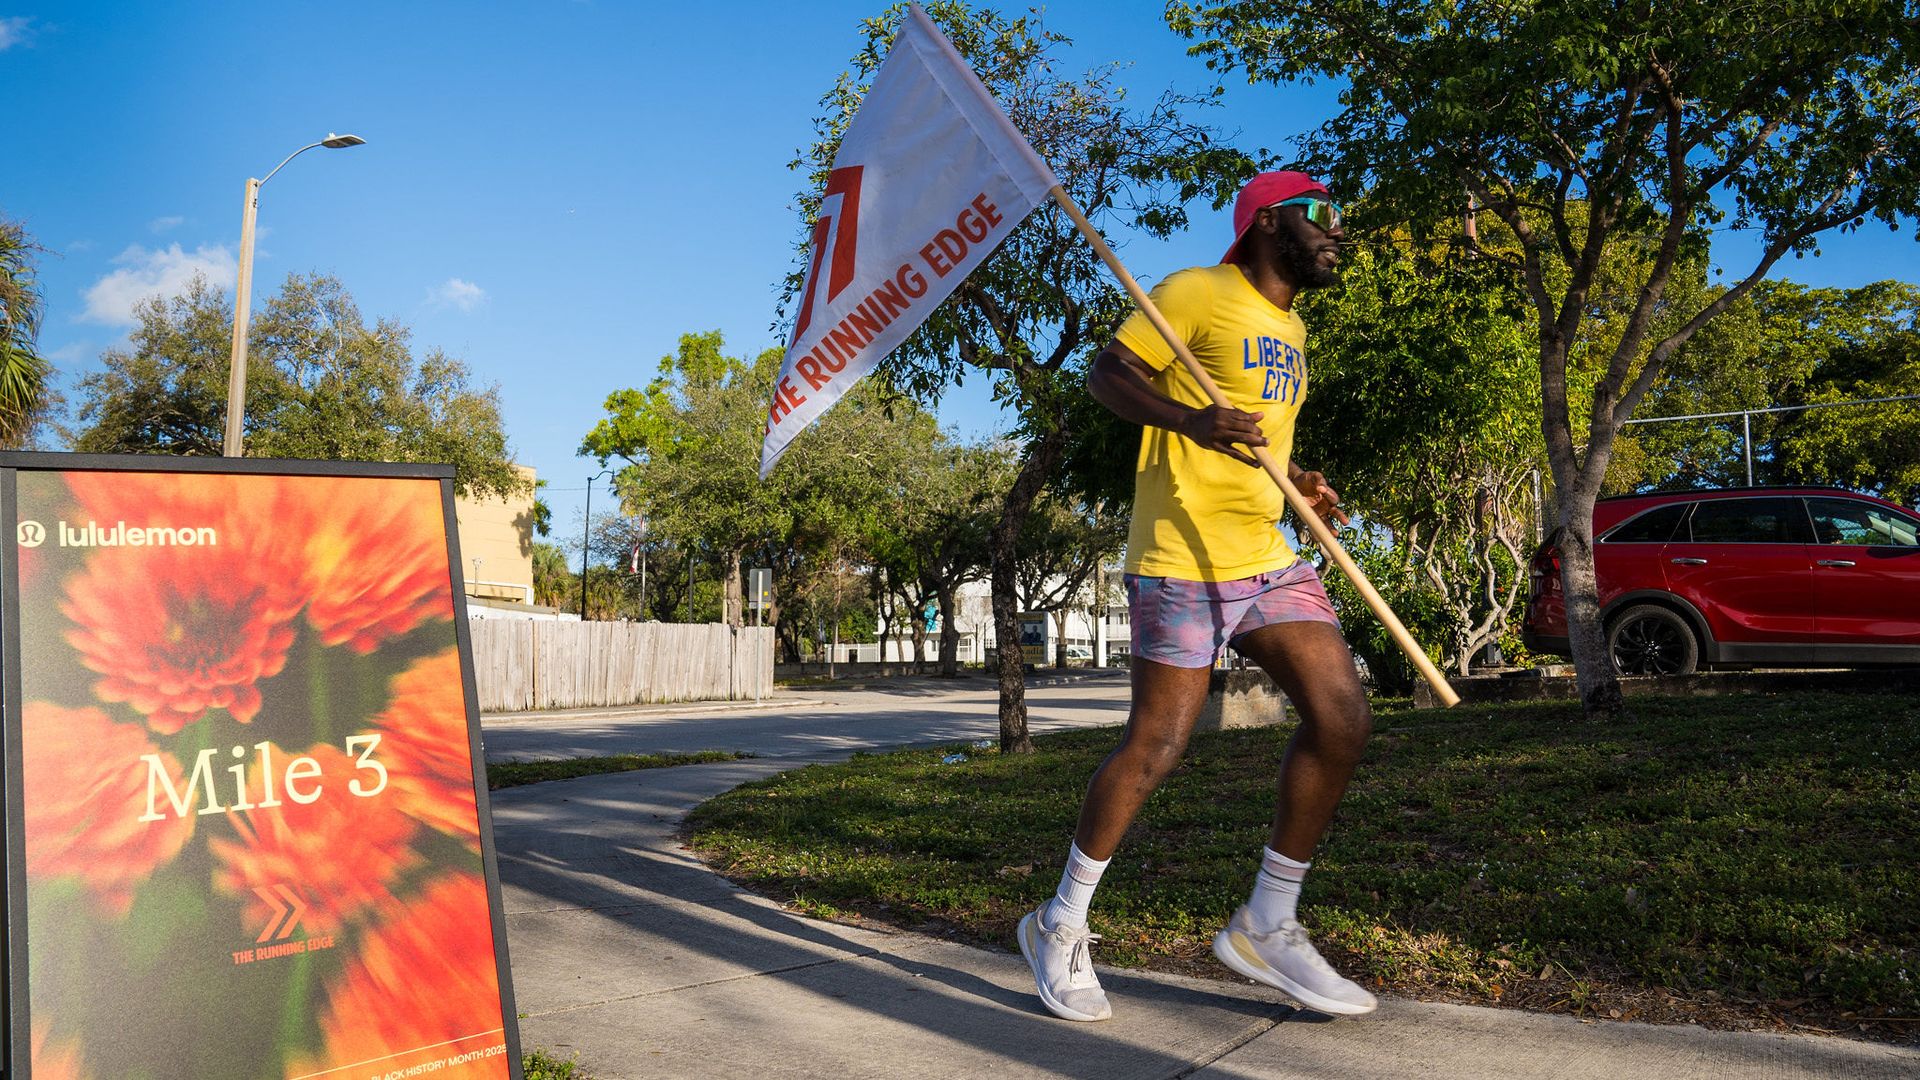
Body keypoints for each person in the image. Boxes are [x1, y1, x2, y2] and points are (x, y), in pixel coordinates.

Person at [1017, 170, 1376, 1022]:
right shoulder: (1194, 290)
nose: (1338, 232)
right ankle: (1058, 924)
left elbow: (1257, 440)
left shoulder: (1290, 328)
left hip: (1265, 552)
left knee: (1343, 717)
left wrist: (1299, 482)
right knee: (1158, 743)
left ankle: (1268, 920)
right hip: (1181, 557)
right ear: (1266, 224)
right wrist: (1186, 420)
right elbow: (1108, 375)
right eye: (1320, 216)